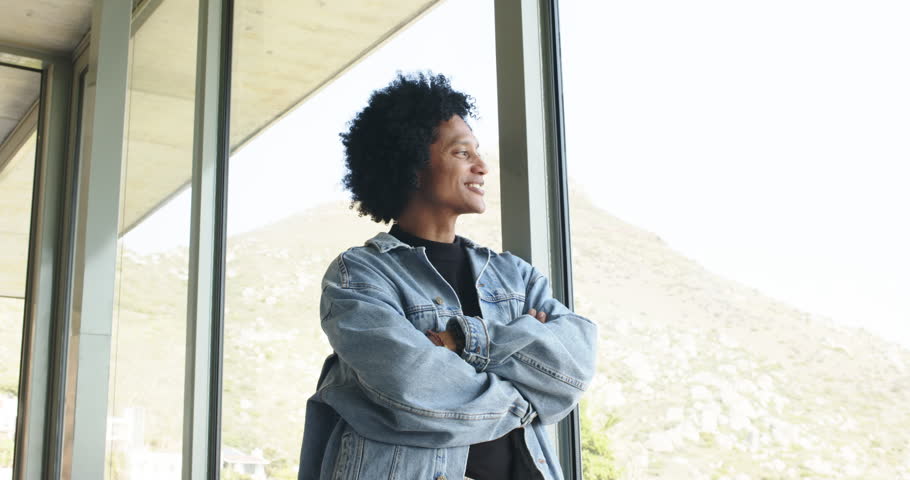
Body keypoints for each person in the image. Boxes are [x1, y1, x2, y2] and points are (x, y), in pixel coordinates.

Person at [298, 72, 597, 480]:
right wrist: (526, 395)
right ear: (412, 164)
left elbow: (574, 364)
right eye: (462, 153)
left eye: (478, 152)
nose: (482, 167)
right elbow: (412, 388)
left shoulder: (515, 275)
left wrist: (461, 342)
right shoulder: (361, 275)